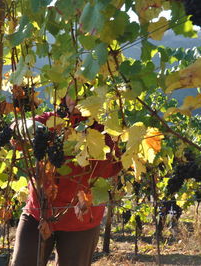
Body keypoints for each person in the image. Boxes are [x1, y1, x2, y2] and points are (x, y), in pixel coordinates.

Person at [10, 95, 122, 266]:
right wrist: (23, 127)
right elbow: (17, 129)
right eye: (72, 92)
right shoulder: (51, 121)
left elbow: (113, 168)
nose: (76, 98)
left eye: (85, 92)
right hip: (37, 212)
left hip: (80, 220)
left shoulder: (104, 131)